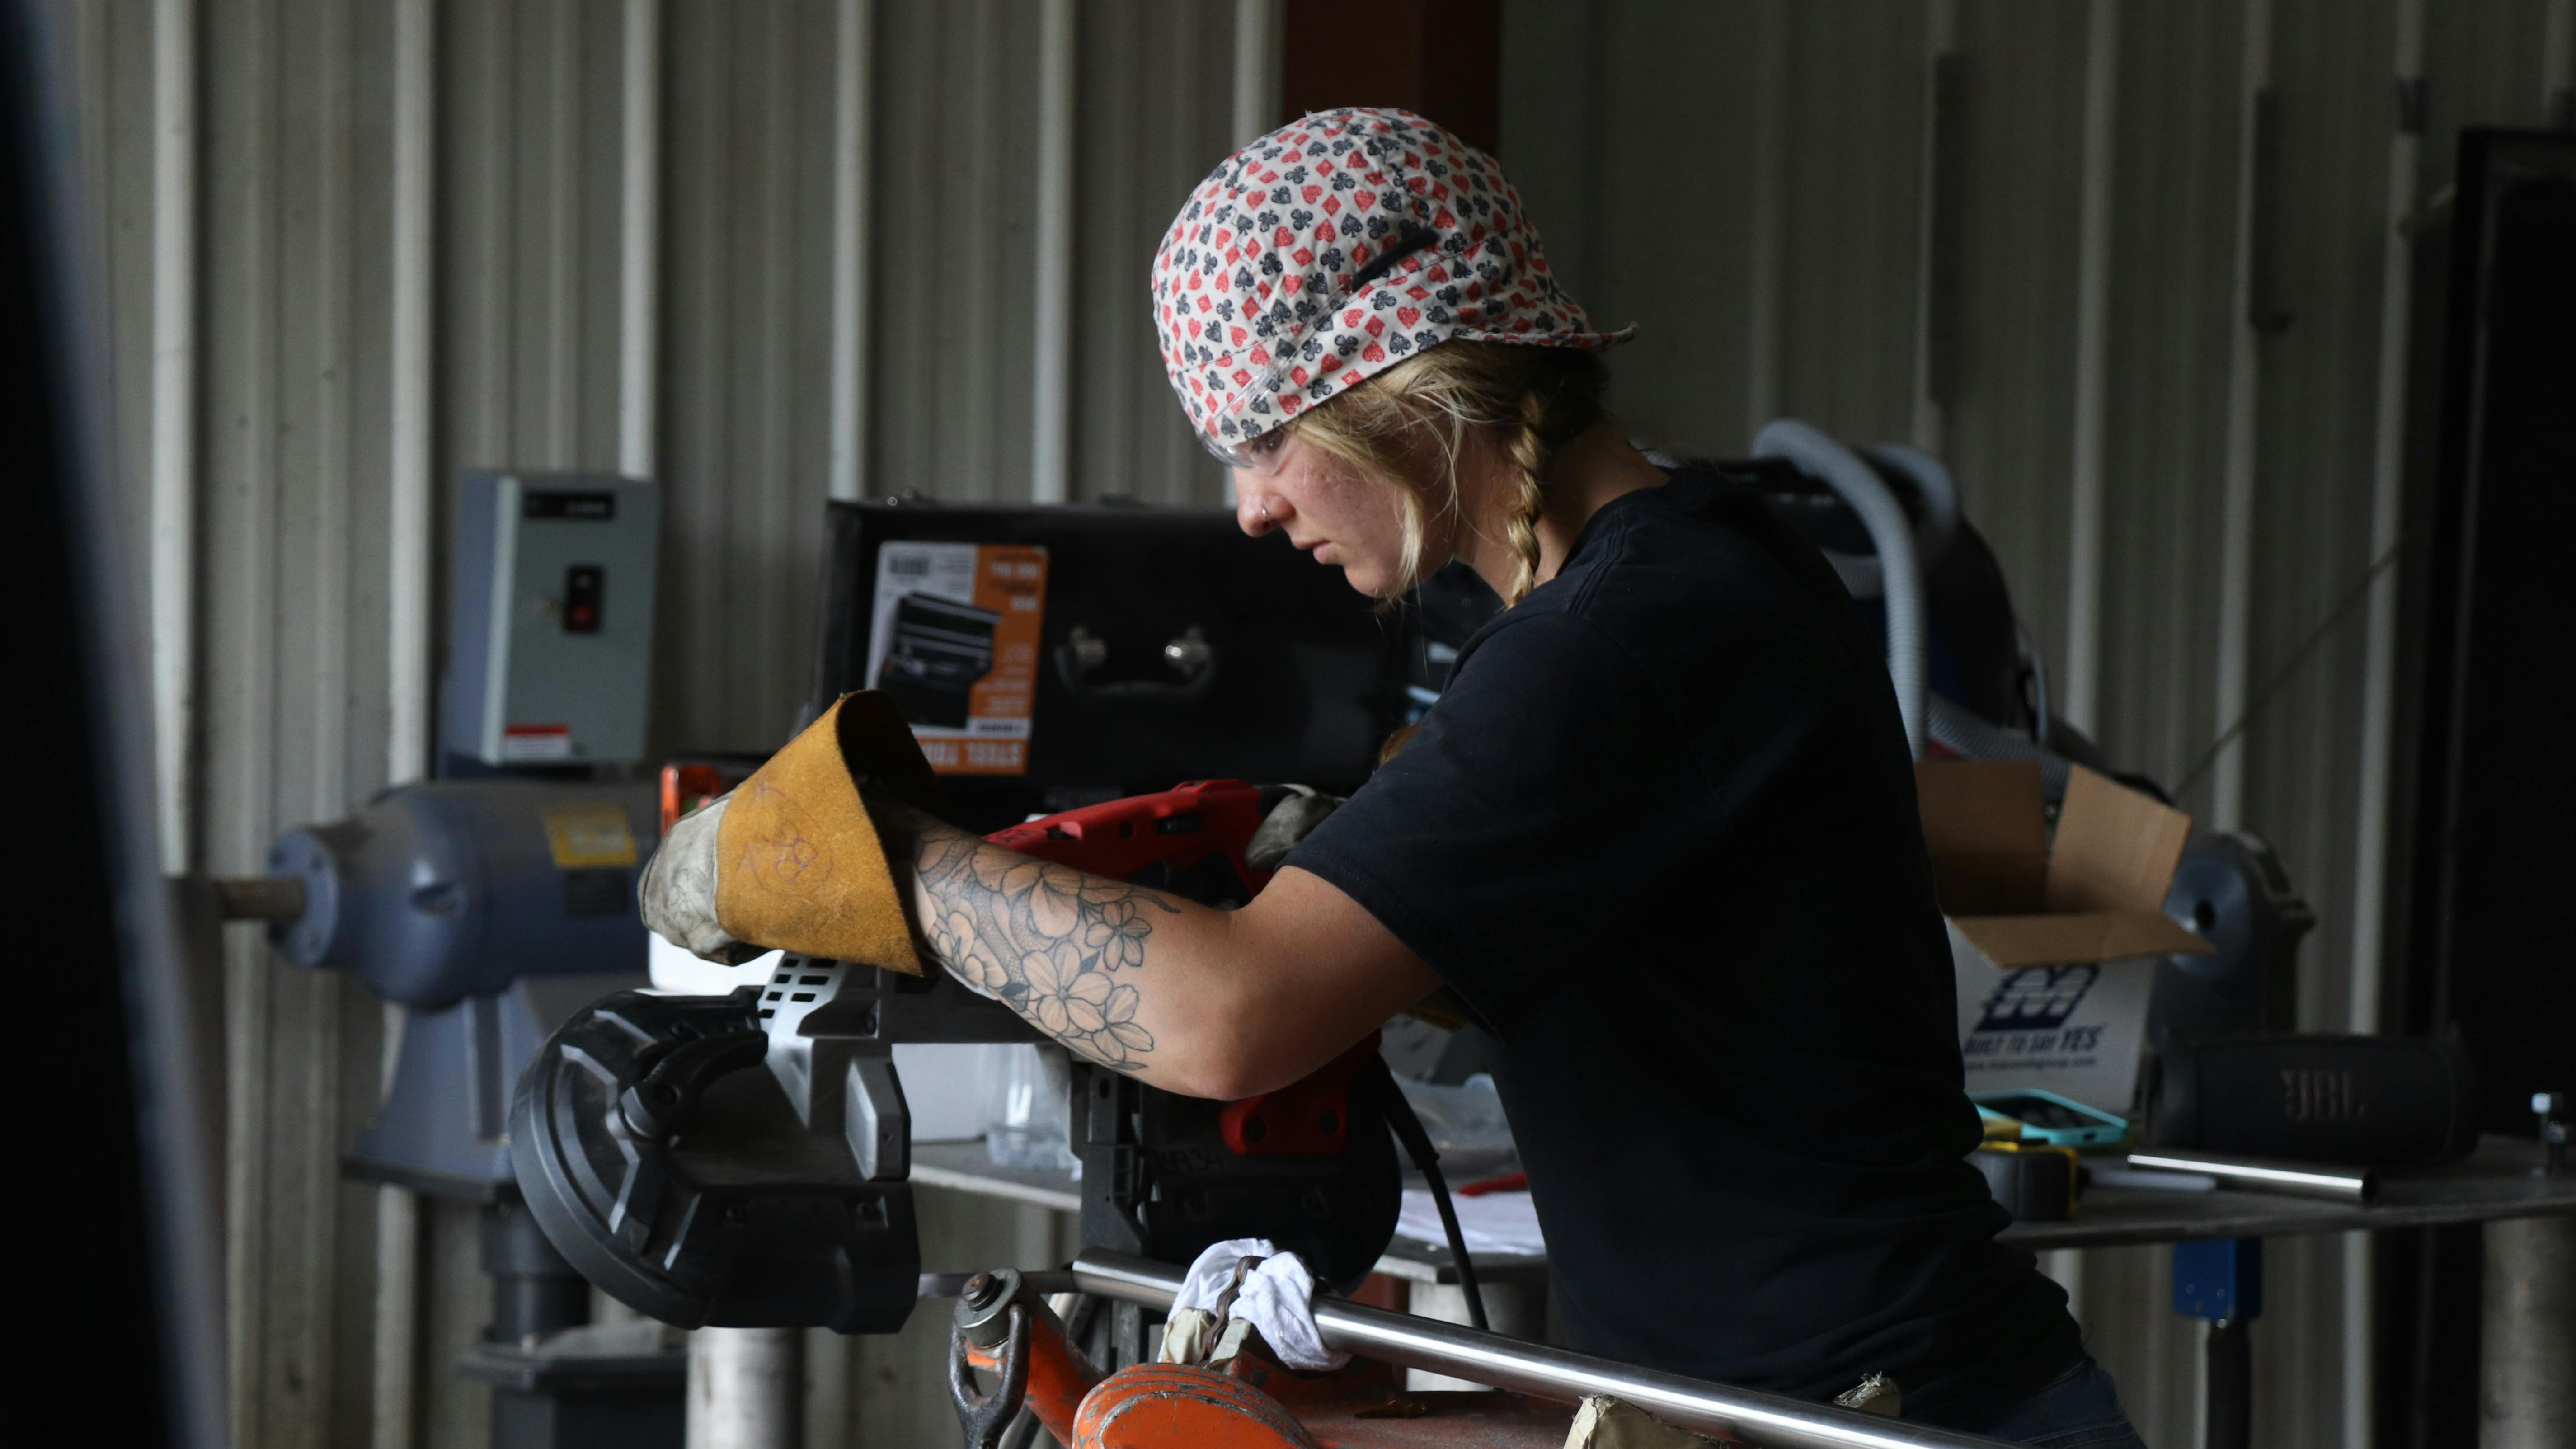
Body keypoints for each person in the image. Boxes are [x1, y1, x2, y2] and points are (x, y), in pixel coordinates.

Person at [648, 107, 2145, 1448]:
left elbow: (1224, 1017)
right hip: (1790, 1409)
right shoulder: (1701, 570)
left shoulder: (1621, 642)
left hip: (1892, 1425)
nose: (1248, 507)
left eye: (1264, 439)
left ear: (1406, 386)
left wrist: (885, 862)